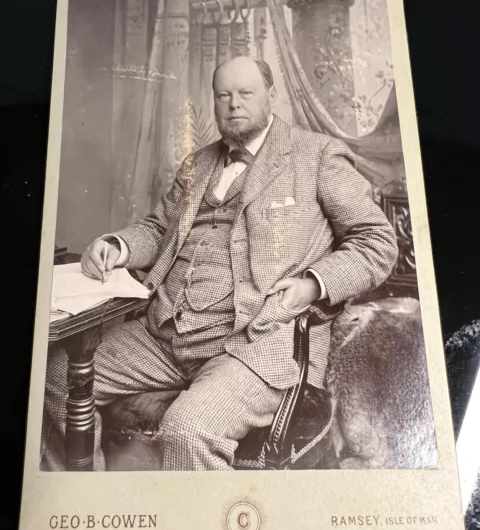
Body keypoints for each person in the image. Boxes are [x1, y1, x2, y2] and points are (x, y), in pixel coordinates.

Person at [42, 56, 398, 471]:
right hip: (164, 333)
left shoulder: (317, 155)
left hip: (258, 338)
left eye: (246, 93)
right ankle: (84, 508)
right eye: (223, 95)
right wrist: (118, 245)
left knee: (188, 429)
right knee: (53, 377)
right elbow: (159, 229)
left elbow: (377, 241)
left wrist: (313, 284)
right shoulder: (199, 163)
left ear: (271, 95)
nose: (234, 104)